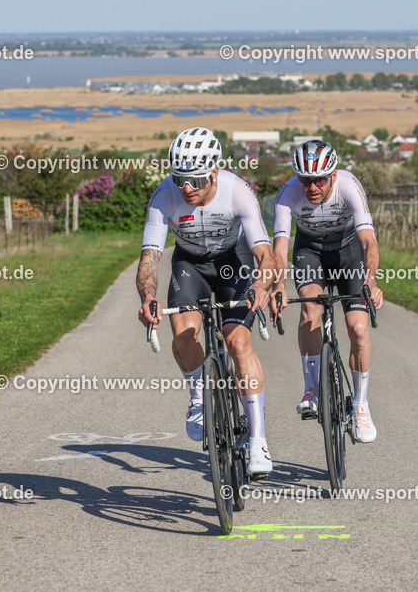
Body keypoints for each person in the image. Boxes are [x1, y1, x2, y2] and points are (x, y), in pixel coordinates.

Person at [137, 127, 278, 476]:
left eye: (196, 181)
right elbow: (150, 258)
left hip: (235, 259)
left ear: (215, 171)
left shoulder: (238, 191)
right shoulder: (163, 196)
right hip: (190, 264)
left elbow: (265, 253)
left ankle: (258, 440)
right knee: (183, 336)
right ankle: (198, 395)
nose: (187, 189)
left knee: (238, 341)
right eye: (180, 179)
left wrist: (263, 285)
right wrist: (148, 297)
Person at [271, 139, 384, 442]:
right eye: (305, 179)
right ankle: (311, 388)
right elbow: (280, 248)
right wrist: (279, 284)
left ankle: (360, 404)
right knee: (310, 309)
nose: (312, 186)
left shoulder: (348, 185)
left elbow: (368, 241)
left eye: (319, 179)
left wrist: (370, 281)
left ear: (333, 175)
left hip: (348, 254)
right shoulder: (287, 194)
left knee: (358, 328)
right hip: (310, 253)